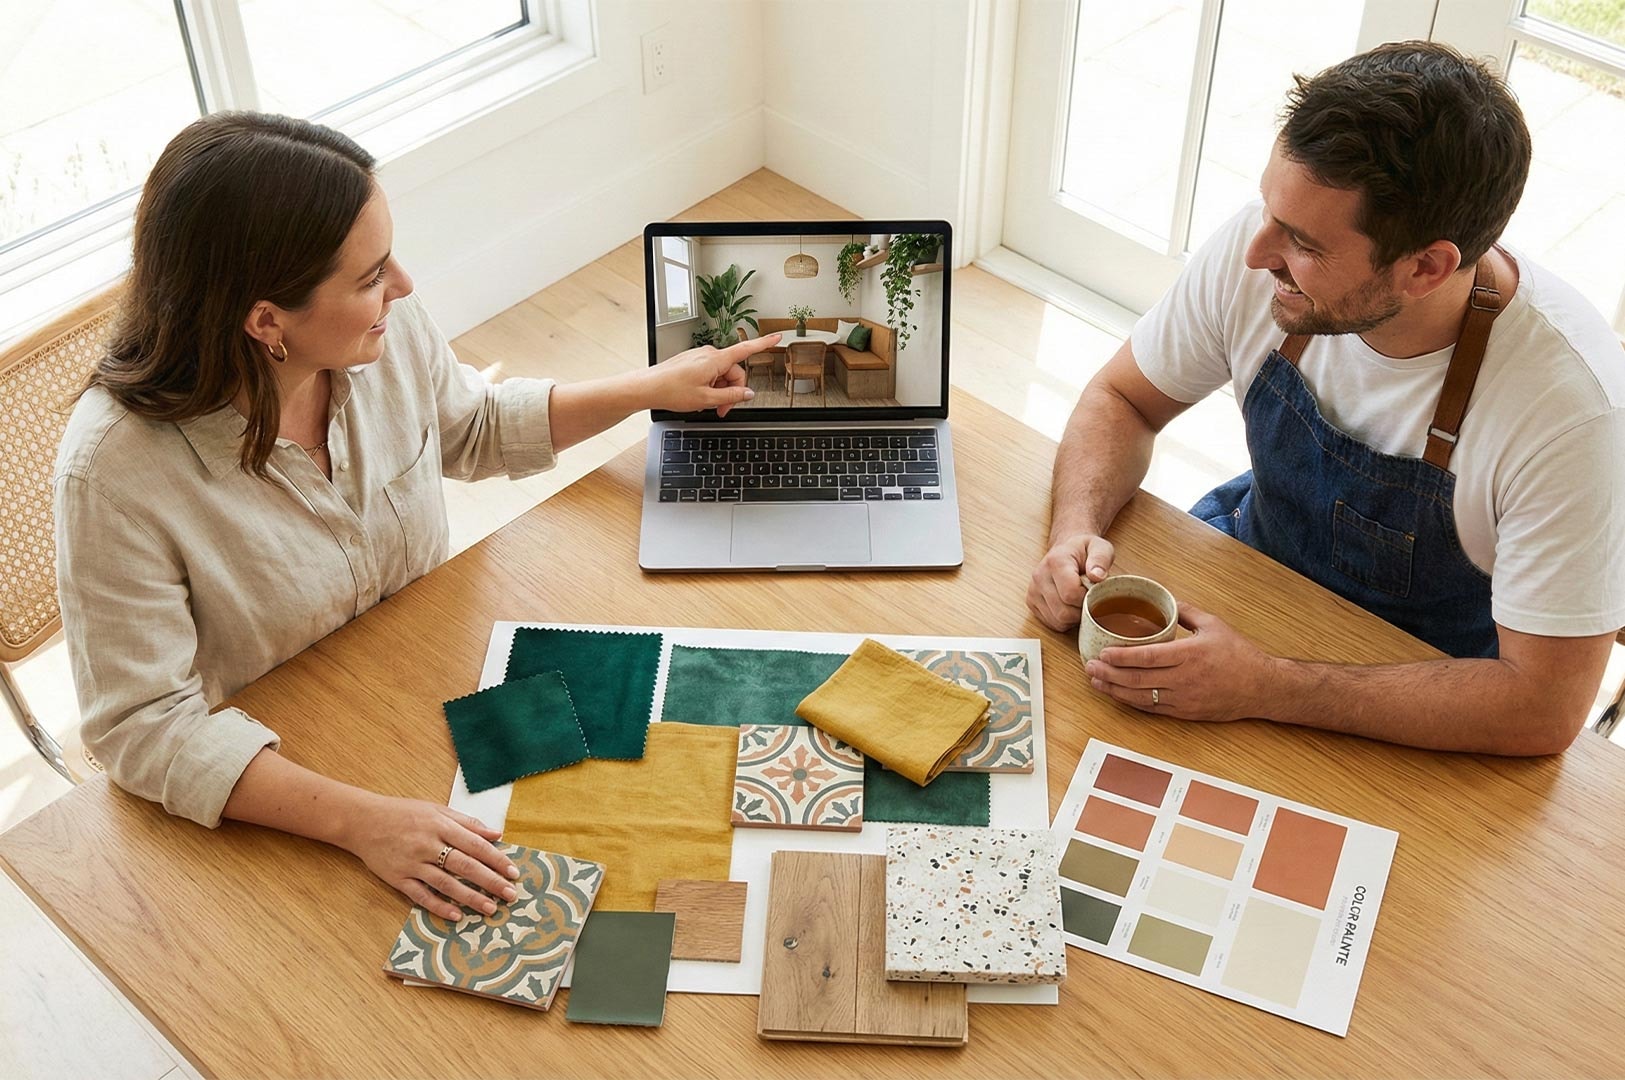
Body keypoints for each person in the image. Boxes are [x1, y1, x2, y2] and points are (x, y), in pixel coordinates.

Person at [54, 112, 781, 920]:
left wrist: (648, 389)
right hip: (289, 776)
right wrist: (361, 821)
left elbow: (467, 425)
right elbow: (141, 726)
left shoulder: (378, 334)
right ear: (267, 323)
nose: (401, 286)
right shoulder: (114, 474)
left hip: (438, 681)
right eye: (369, 276)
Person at [1028, 42, 1625, 756]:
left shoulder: (1570, 415)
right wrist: (1073, 528)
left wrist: (1265, 686)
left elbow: (1541, 709)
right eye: (1270, 209)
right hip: (1251, 573)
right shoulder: (1264, 250)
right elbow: (1122, 399)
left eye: (1303, 242)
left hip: (1429, 693)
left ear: (1425, 267)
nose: (1255, 252)